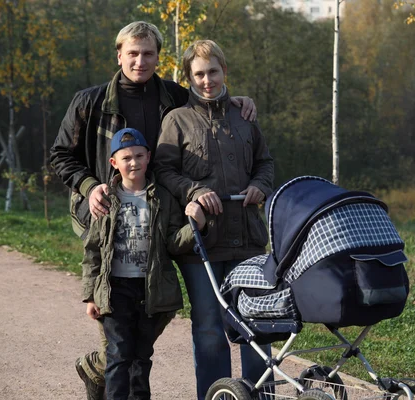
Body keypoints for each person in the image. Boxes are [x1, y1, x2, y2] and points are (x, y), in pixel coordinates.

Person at [49, 21, 257, 400]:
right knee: (121, 325)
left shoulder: (174, 98)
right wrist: (88, 185)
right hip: (109, 223)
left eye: (147, 53)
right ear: (119, 55)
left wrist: (238, 101)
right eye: (132, 53)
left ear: (158, 57)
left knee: (154, 314)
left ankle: (100, 364)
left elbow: (209, 101)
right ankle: (111, 366)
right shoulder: (90, 102)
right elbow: (60, 155)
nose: (140, 60)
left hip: (165, 221)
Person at [154, 39, 274, 400]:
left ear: (225, 72)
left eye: (213, 72)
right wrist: (192, 191)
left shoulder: (245, 116)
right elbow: (162, 170)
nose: (207, 80)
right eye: (199, 74)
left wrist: (259, 185)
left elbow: (265, 162)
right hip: (201, 244)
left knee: (255, 324)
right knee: (208, 328)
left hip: (248, 240)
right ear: (189, 77)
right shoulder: (176, 120)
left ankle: (260, 395)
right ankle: (215, 395)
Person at [82, 127, 208, 400]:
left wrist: (195, 225)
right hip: (116, 290)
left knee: (142, 355)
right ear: (114, 163)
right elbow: (93, 250)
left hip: (150, 289)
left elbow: (174, 242)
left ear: (149, 157)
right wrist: (90, 295)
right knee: (118, 354)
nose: (134, 163)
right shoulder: (106, 201)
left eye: (139, 155)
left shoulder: (162, 198)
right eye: (126, 158)